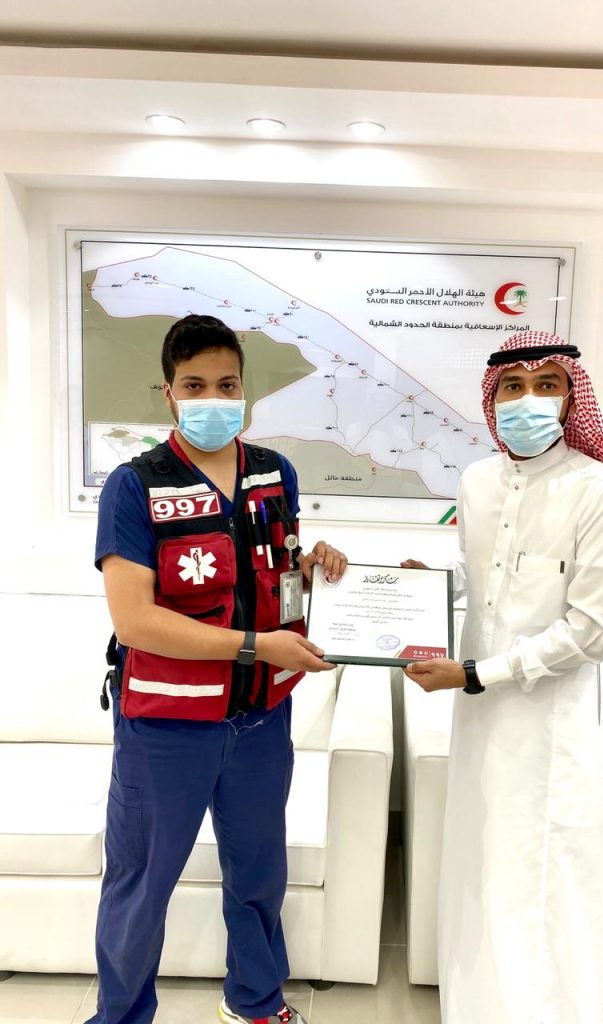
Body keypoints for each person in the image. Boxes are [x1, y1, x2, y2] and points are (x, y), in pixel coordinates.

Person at [89, 314, 347, 1024]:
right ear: (168, 393)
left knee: (259, 878)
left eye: (227, 385)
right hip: (166, 728)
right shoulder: (135, 485)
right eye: (195, 385)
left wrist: (311, 568)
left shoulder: (274, 472)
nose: (213, 398)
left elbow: (269, 578)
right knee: (141, 886)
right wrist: (256, 646)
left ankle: (256, 1003)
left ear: (244, 390)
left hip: (261, 721)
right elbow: (135, 621)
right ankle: (120, 1016)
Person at [402, 330, 603, 1024]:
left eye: (547, 385)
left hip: (558, 731)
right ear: (492, 399)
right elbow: (481, 577)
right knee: (485, 872)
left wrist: (475, 672)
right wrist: (418, 587)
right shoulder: (477, 482)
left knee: (552, 889)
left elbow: (591, 631)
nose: (528, 400)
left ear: (572, 398)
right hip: (482, 719)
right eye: (513, 386)